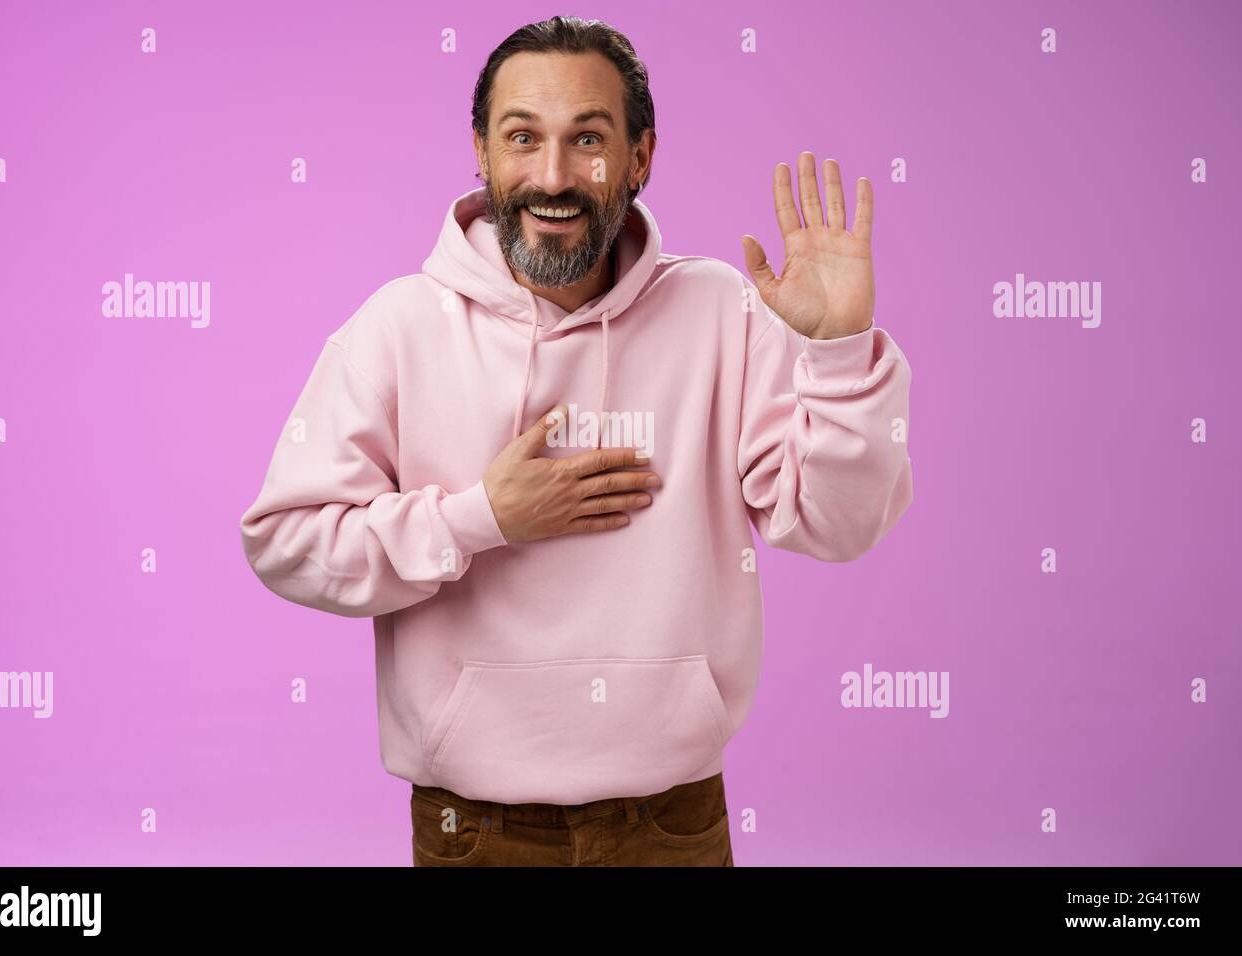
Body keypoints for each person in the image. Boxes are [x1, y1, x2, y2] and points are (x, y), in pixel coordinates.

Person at [239, 15, 913, 867]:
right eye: (523, 138)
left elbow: (838, 524)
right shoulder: (397, 329)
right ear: (481, 152)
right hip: (473, 828)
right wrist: (480, 518)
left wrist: (838, 351)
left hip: (672, 821)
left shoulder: (724, 315)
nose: (553, 176)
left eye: (587, 138)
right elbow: (285, 542)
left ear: (640, 158)